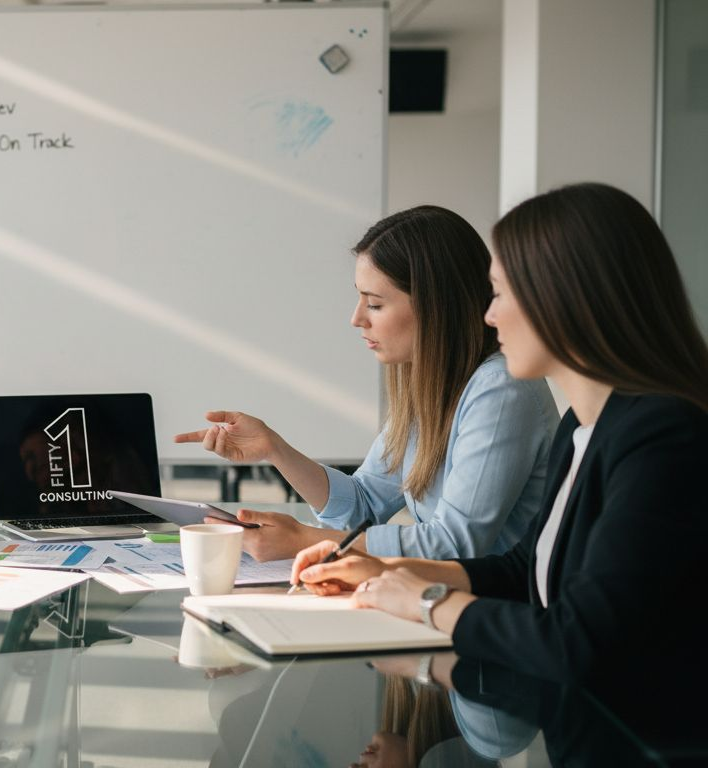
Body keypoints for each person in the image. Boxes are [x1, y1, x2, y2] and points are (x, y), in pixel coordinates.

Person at [291, 183, 708, 721]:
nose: (488, 317)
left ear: (566, 301)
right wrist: (387, 568)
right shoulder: (584, 431)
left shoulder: (662, 440)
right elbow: (520, 568)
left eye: (501, 295)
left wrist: (426, 603)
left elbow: (577, 640)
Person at [176, 206, 557, 561]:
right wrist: (275, 450)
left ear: (435, 305)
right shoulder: (427, 385)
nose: (357, 318)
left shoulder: (500, 391)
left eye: (374, 303)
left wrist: (306, 542)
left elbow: (455, 545)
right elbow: (362, 504)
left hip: (496, 611)